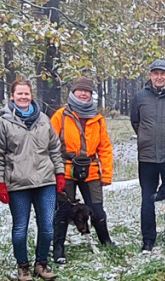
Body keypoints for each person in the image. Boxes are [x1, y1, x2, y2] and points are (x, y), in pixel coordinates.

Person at [0, 79, 65, 281]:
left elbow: (55, 149)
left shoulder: (43, 120)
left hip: (45, 181)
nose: (23, 97)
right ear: (12, 96)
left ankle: (42, 263)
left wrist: (59, 173)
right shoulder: (2, 123)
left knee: (47, 226)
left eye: (27, 94)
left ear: (32, 96)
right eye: (19, 94)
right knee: (20, 228)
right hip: (18, 183)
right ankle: (23, 266)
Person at [51, 76, 114, 263]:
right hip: (66, 169)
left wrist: (107, 174)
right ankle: (58, 248)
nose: (84, 94)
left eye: (87, 91)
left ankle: (106, 241)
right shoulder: (60, 116)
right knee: (62, 210)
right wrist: (55, 172)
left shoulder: (98, 119)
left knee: (97, 209)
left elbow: (105, 148)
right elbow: (49, 145)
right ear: (73, 92)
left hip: (91, 169)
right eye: (80, 90)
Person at [130, 59, 165, 252]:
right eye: (155, 73)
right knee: (148, 198)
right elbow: (135, 122)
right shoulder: (140, 97)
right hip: (147, 158)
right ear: (150, 76)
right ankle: (148, 239)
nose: (159, 77)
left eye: (163, 73)